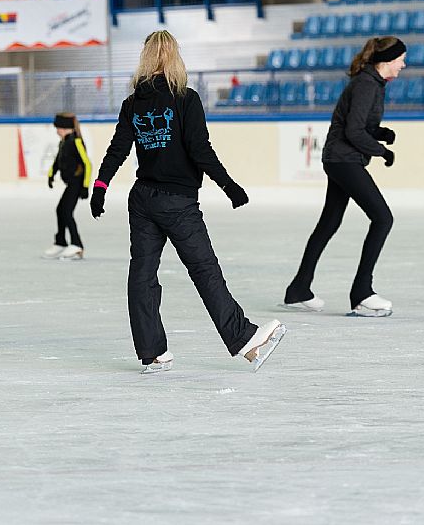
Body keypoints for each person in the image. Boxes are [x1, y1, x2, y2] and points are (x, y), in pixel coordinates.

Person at [90, 30, 286, 374]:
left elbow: (117, 149)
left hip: (143, 200)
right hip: (177, 203)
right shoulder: (185, 99)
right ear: (175, 58)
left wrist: (101, 186)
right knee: (204, 270)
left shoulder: (133, 103)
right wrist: (229, 185)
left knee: (143, 274)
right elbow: (200, 150)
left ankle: (151, 353)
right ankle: (244, 340)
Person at [283, 36, 406, 317]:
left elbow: (360, 124)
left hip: (339, 158)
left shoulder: (373, 83)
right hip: (343, 160)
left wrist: (380, 133)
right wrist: (381, 151)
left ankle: (298, 289)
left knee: (329, 223)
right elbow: (353, 132)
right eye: (400, 59)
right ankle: (362, 293)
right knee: (382, 217)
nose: (403, 64)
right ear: (386, 61)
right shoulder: (365, 84)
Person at [43, 113, 91, 260]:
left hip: (77, 183)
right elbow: (58, 161)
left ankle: (76, 244)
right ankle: (61, 241)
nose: (56, 130)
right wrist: (51, 174)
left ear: (64, 127)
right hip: (71, 183)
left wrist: (85, 186)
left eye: (57, 127)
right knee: (61, 210)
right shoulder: (63, 142)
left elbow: (87, 164)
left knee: (66, 212)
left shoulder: (76, 141)